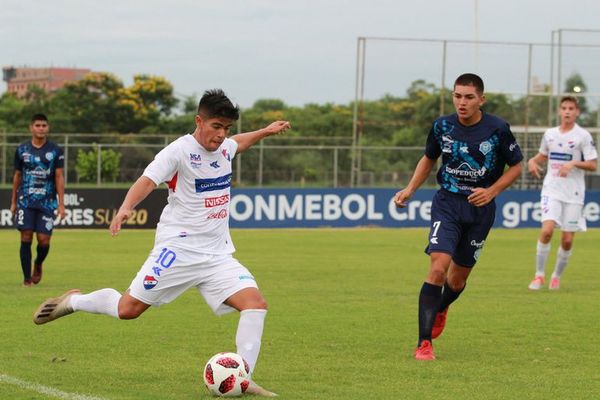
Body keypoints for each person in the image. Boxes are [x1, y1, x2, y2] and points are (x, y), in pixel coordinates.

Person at [33, 89, 290, 397]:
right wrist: (127, 207)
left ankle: (243, 378)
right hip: (177, 250)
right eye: (216, 127)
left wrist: (265, 131)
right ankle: (74, 301)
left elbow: (240, 144)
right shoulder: (178, 151)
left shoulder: (225, 148)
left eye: (226, 129)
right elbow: (147, 179)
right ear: (199, 121)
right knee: (127, 309)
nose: (222, 135)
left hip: (217, 255)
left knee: (255, 305)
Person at [394, 73, 523, 360]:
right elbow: (429, 157)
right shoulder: (442, 126)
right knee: (438, 268)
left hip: (480, 210)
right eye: (457, 96)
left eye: (468, 97)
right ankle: (424, 343)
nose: (461, 102)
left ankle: (441, 307)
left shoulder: (498, 129)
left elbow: (516, 166)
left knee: (456, 281)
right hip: (447, 204)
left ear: (481, 100)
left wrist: (492, 191)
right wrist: (411, 188)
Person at [527, 96, 597, 291]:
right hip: (552, 189)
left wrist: (573, 163)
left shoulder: (583, 136)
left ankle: (556, 277)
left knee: (567, 240)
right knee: (547, 231)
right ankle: (539, 276)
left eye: (571, 108)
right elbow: (542, 156)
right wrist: (533, 162)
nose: (567, 111)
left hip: (574, 193)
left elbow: (593, 164)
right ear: (559, 111)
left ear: (577, 112)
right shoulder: (550, 134)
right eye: (564, 108)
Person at [11, 113, 65, 286]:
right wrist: (13, 202)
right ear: (31, 127)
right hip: (25, 201)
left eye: (44, 125)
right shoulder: (22, 150)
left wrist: (61, 204)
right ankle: (27, 279)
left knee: (44, 240)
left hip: (47, 202)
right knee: (26, 237)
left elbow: (59, 177)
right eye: (37, 125)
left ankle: (38, 263)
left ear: (47, 128)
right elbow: (17, 176)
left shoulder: (55, 150)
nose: (41, 128)